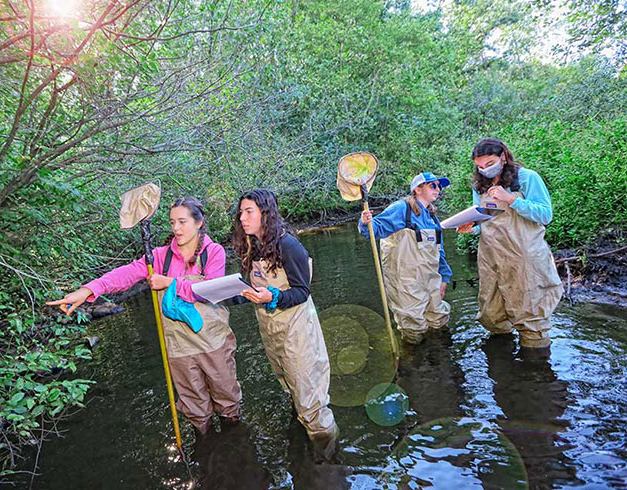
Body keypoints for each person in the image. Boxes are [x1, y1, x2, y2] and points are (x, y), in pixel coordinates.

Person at [46, 197, 241, 435]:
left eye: (182, 222)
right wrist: (88, 289)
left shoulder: (214, 253)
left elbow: (207, 291)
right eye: (172, 222)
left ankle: (235, 444)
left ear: (199, 223)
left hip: (214, 344)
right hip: (179, 350)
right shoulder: (158, 257)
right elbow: (125, 274)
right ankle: (206, 447)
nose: (176, 229)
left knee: (227, 401)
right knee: (196, 410)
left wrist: (167, 282)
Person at [232, 188, 339, 462]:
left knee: (310, 398)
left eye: (249, 212)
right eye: (241, 212)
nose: (242, 218)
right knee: (290, 387)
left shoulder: (289, 246)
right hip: (272, 332)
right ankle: (305, 451)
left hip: (298, 332)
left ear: (265, 214)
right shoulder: (252, 247)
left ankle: (327, 460)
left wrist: (273, 296)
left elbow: (302, 291)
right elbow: (256, 290)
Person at [457, 138, 562, 349]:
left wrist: (512, 199)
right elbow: (483, 217)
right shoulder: (480, 186)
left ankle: (534, 365)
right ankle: (502, 357)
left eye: (489, 164)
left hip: (524, 256)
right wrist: (472, 226)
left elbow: (545, 214)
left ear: (503, 157)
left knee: (530, 313)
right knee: (491, 312)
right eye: (479, 166)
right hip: (491, 255)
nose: (484, 170)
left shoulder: (526, 178)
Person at [359, 172, 453, 345]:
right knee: (413, 325)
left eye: (439, 186)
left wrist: (444, 277)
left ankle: (439, 356)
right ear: (417, 189)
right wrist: (365, 222)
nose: (437, 189)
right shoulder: (401, 208)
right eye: (433, 185)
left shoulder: (432, 216)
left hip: (431, 279)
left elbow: (440, 251)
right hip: (405, 282)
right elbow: (374, 230)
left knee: (438, 318)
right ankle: (414, 361)